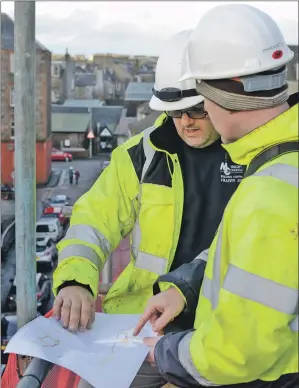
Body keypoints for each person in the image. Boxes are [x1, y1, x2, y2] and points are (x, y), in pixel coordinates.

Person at [52, 30, 244, 387]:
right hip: (143, 325)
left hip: (221, 329)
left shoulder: (252, 158)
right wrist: (76, 280)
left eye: (197, 111)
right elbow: (93, 220)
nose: (186, 122)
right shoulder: (142, 156)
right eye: (175, 112)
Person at [133, 4, 299, 388]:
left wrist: (164, 354)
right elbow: (248, 259)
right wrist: (186, 290)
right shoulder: (280, 167)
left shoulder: (271, 195)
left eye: (200, 98)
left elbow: (237, 352)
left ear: (224, 95)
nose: (198, 111)